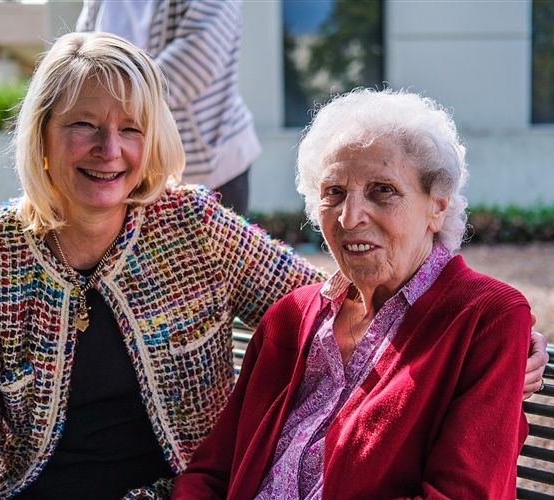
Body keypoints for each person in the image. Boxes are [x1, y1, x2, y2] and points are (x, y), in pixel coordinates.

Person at [0, 35, 546, 500]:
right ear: (43, 139)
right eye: (84, 126)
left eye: (130, 128)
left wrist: (509, 342)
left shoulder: (191, 227)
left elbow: (353, 296)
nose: (111, 150)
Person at [173, 89, 534, 499]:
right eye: (335, 192)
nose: (350, 216)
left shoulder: (487, 319)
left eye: (382, 190)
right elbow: (210, 473)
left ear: (437, 206)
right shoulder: (291, 317)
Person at [76, 0, 260, 215]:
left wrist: (109, 105)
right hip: (130, 169)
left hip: (207, 165)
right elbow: (83, 54)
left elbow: (194, 61)